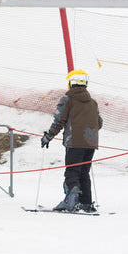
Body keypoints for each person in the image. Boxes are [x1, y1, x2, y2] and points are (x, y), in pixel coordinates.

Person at [40, 69, 102, 212]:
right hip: (91, 142)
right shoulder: (93, 102)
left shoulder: (67, 99)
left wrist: (49, 136)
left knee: (72, 171)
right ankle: (86, 203)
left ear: (71, 83)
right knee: (84, 172)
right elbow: (99, 123)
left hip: (74, 141)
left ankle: (71, 201)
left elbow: (59, 120)